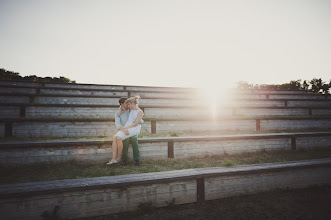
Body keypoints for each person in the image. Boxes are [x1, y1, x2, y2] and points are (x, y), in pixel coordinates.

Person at [106, 96, 143, 166]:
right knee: (119, 139)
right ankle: (118, 159)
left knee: (134, 139)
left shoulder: (131, 110)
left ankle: (136, 159)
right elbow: (118, 124)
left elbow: (138, 117)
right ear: (121, 104)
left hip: (132, 129)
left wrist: (140, 121)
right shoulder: (118, 113)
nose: (128, 104)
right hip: (124, 129)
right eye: (126, 103)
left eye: (128, 103)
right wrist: (124, 129)